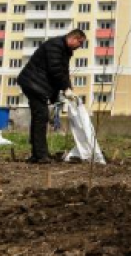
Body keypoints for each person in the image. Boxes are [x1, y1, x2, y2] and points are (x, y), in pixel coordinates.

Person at [17, 29, 86, 164]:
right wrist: (65, 88)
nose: (80, 46)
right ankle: (40, 155)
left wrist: (69, 89)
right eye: (80, 42)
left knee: (39, 117)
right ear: (73, 38)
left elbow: (63, 71)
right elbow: (55, 70)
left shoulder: (64, 50)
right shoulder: (55, 46)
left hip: (38, 85)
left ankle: (38, 154)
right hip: (33, 84)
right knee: (41, 117)